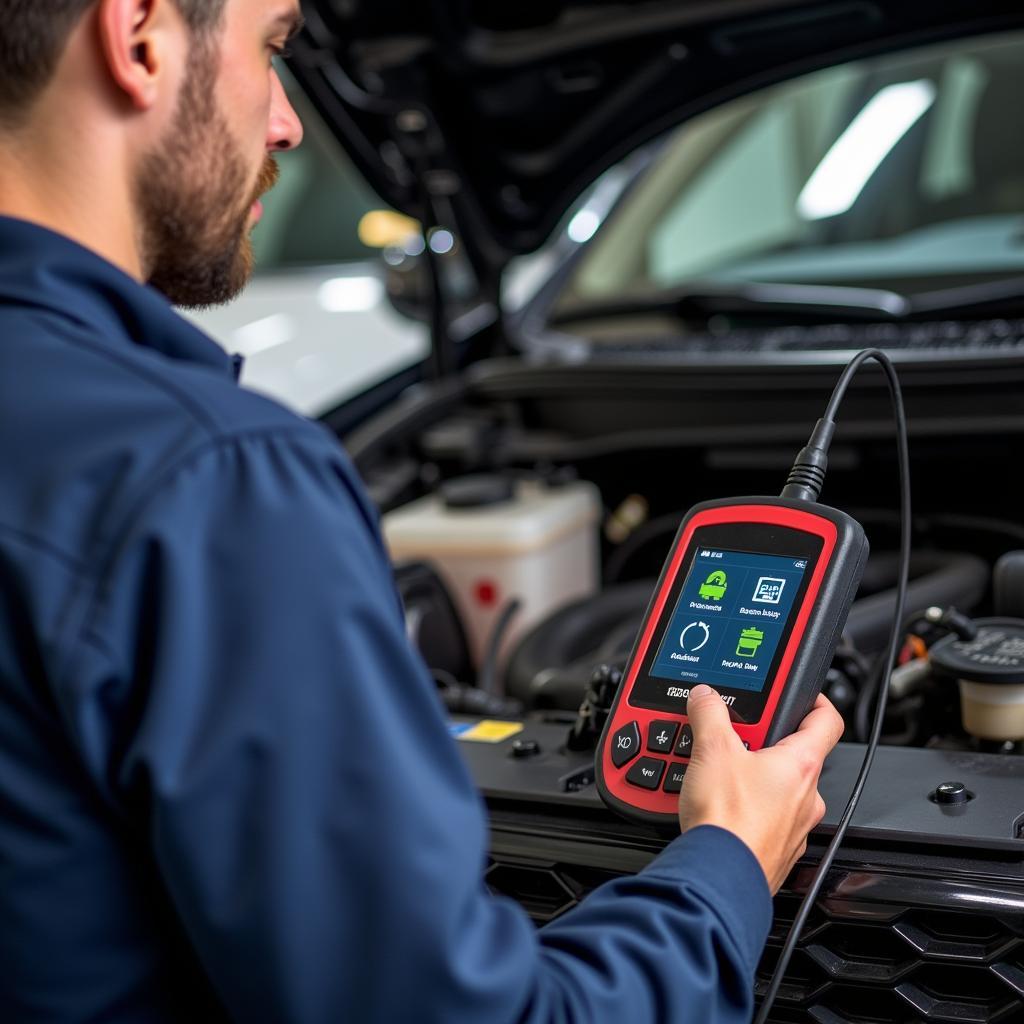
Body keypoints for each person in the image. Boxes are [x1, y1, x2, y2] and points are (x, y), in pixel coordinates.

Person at [0, 1, 844, 1021]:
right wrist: (725, 867)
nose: (287, 122)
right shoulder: (205, 480)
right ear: (137, 35)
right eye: (272, 49)